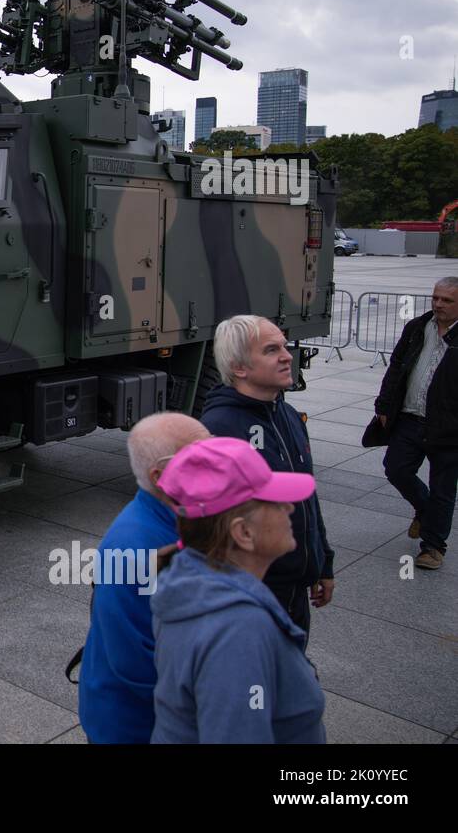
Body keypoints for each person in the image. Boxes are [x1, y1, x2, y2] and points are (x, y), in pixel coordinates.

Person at [151, 437, 326, 743]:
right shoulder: (238, 630)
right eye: (273, 501)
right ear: (243, 532)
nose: (288, 506)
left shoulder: (188, 582)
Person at [77, 412, 209, 744]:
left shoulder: (185, 517)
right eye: (202, 456)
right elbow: (136, 663)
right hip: (134, 729)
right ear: (162, 476)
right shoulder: (133, 547)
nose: (217, 462)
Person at [200, 315, 334, 633]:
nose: (287, 356)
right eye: (272, 350)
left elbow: (307, 498)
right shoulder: (219, 429)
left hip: (295, 591)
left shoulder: (288, 415)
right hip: (253, 595)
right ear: (239, 367)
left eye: (284, 346)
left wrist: (321, 563)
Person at [375, 277, 458, 570]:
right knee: (396, 468)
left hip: (448, 427)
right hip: (410, 417)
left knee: (443, 488)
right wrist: (384, 404)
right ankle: (424, 509)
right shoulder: (417, 329)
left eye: (446, 300)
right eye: (435, 298)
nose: (438, 305)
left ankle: (433, 547)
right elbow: (396, 366)